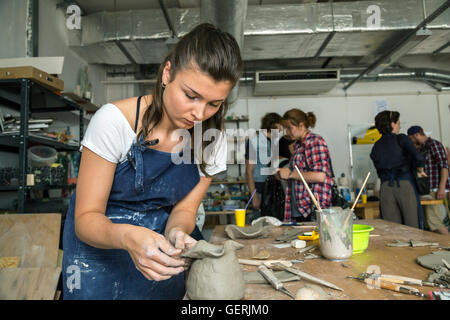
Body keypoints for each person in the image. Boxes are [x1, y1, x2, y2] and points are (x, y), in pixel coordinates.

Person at [62, 23, 243, 299]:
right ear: (168, 73)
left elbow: (184, 212)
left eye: (214, 104)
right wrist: (128, 237)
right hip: (98, 254)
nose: (199, 113)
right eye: (191, 95)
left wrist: (177, 234)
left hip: (159, 256)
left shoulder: (211, 141)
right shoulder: (114, 122)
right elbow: (86, 218)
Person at [370, 111, 426, 229]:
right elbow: (419, 157)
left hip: (385, 188)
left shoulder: (376, 146)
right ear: (392, 124)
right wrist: (420, 171)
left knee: (392, 229)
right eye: (398, 123)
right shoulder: (401, 139)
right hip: (404, 185)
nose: (400, 126)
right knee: (413, 228)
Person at [277, 109, 334, 222]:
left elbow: (319, 176)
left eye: (290, 128)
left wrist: (289, 174)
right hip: (300, 206)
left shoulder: (315, 142)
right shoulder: (298, 145)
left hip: (311, 206)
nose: (287, 132)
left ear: (301, 125)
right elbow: (301, 171)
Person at [407, 125, 450, 235]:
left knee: (434, 221)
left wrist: (442, 188)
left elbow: (444, 166)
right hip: (427, 189)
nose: (411, 142)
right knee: (428, 223)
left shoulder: (434, 145)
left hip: (435, 188)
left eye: (411, 138)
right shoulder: (422, 148)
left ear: (417, 135)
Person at [245, 113, 282, 216]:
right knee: (259, 224)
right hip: (259, 189)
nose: (282, 129)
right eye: (281, 125)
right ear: (273, 124)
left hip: (270, 188)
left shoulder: (272, 141)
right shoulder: (254, 141)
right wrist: (254, 197)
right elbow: (249, 171)